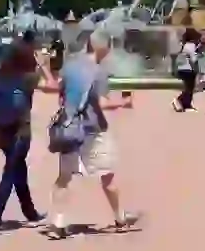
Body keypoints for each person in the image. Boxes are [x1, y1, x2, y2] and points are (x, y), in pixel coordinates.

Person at [36, 30, 142, 238]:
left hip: (69, 128)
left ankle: (57, 224)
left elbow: (55, 88)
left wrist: (44, 68)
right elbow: (102, 104)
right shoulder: (99, 72)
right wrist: (125, 102)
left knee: (64, 178)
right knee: (108, 177)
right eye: (109, 46)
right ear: (102, 47)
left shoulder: (70, 66)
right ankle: (120, 219)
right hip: (93, 130)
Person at [0, 42, 47, 236]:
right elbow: (53, 86)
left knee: (18, 170)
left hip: (2, 132)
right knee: (10, 174)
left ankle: (30, 214)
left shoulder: (0, 78)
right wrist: (44, 65)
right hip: (20, 132)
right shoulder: (28, 78)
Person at [172, 28, 200, 113]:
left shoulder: (184, 45)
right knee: (189, 88)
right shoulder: (191, 45)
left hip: (182, 68)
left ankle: (187, 104)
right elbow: (193, 59)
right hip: (188, 69)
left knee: (189, 87)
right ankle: (178, 100)